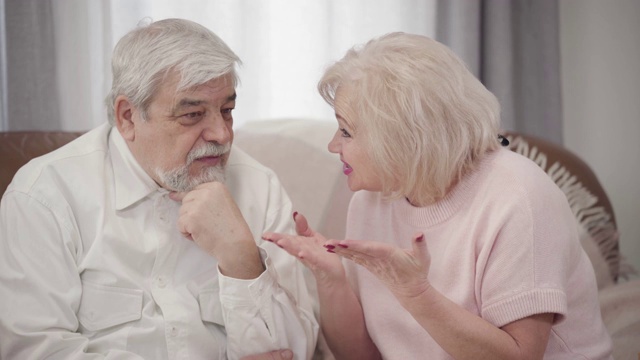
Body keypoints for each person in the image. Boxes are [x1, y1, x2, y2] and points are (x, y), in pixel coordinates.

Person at [263, 32, 613, 359]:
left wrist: (417, 295)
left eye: (347, 132)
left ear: (405, 138)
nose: (333, 146)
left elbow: (521, 355)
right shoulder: (371, 200)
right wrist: (331, 278)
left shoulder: (519, 196)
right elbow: (362, 355)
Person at [0, 18, 318, 359]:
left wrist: (241, 259)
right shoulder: (46, 195)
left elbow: (297, 351)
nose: (222, 135)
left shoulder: (260, 187)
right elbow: (34, 351)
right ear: (127, 117)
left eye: (227, 111)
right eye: (193, 115)